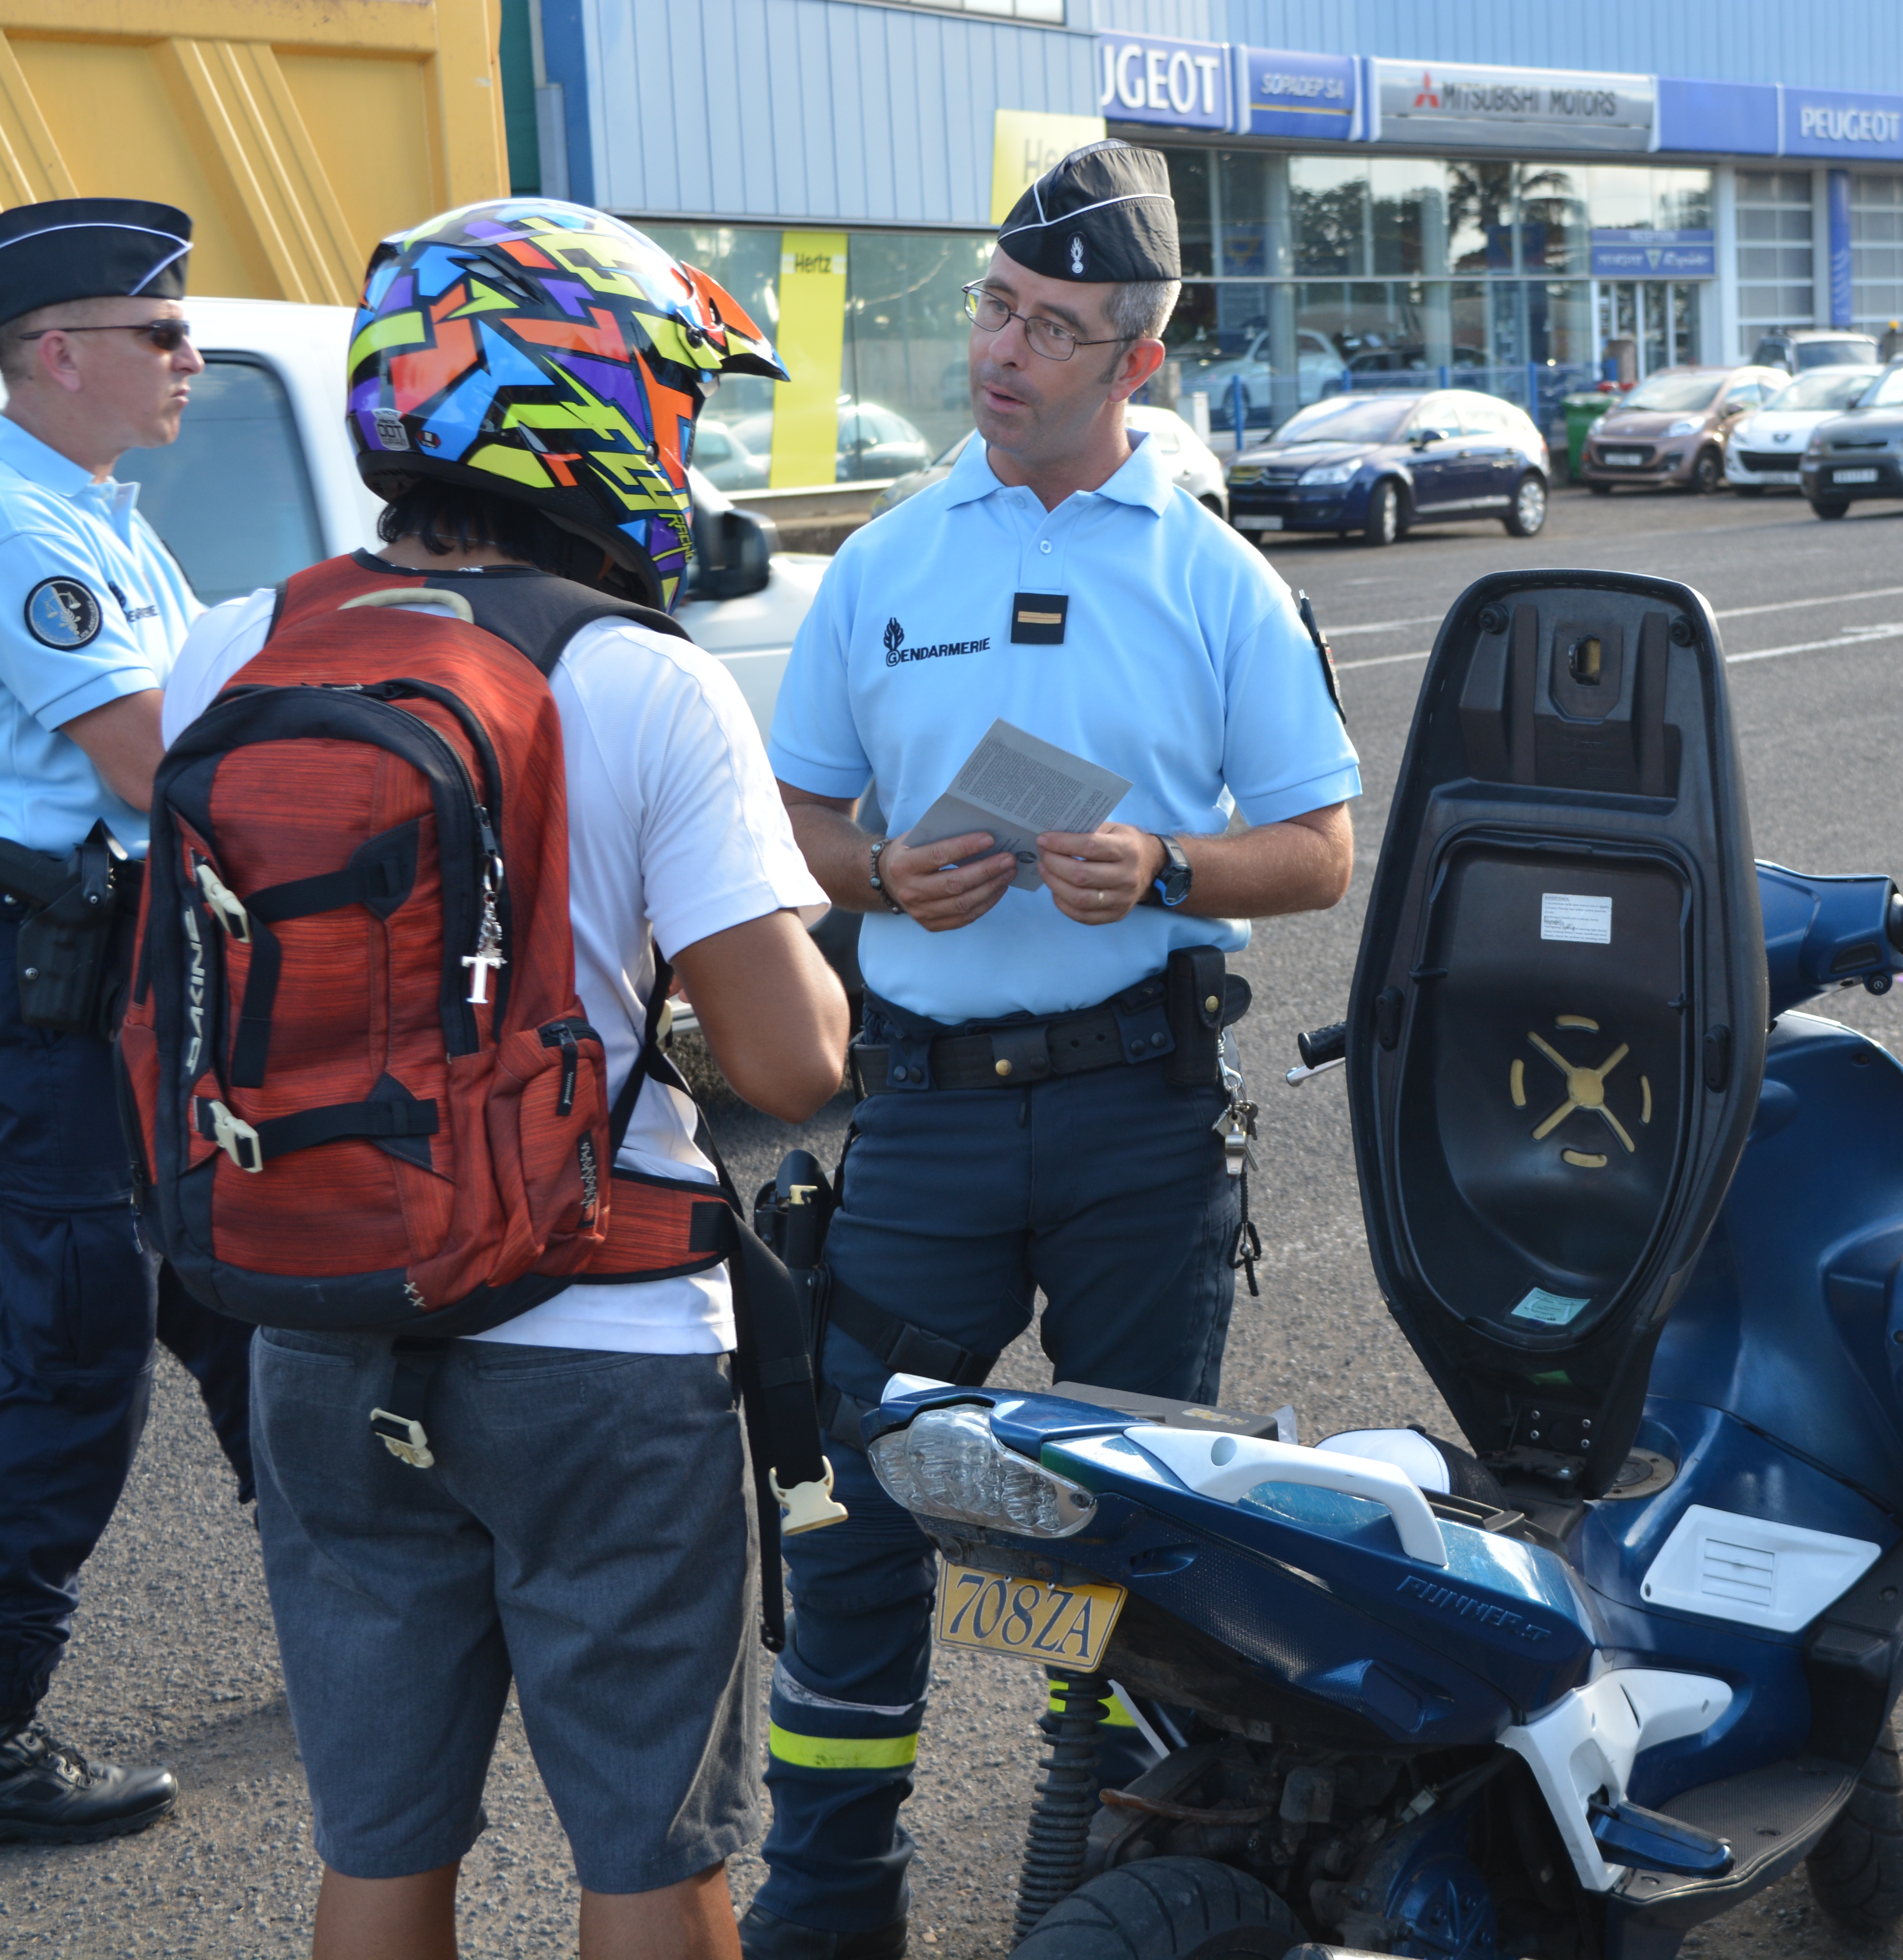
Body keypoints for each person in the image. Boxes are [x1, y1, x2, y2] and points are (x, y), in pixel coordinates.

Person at [161, 200, 845, 1960]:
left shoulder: (227, 645)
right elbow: (791, 1056)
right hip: (599, 1341)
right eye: (674, 400)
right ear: (588, 403)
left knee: (380, 1842)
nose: (685, 441)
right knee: (645, 1849)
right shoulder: (640, 679)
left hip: (319, 1319)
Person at [750, 138, 1358, 1960]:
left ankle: (1119, 1876)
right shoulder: (881, 561)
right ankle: (831, 1898)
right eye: (997, 310)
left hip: (1138, 1119)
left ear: (1136, 367)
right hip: (924, 1123)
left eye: (1055, 327)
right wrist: (875, 872)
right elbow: (792, 818)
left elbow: (1320, 846)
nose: (1002, 352)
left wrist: (1170, 866)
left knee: (1141, 1525)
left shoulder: (1217, 576)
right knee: (858, 1520)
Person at [0, 196, 259, 1847]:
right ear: (56, 352)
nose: (193, 356)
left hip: (130, 1029)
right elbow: (160, 764)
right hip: (60, 1039)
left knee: (246, 1320)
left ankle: (380, 1608)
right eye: (162, 335)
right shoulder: (25, 531)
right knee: (75, 1373)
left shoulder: (98, 510)